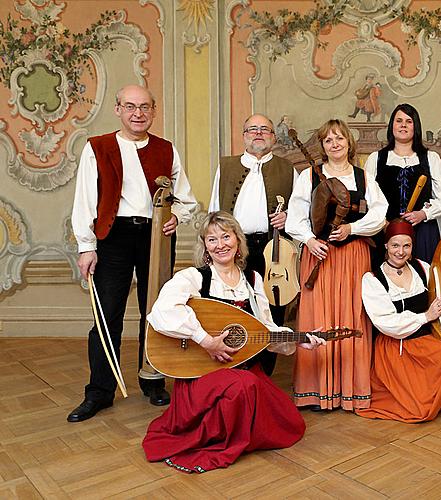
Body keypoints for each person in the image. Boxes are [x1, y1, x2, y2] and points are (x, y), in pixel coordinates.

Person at [142, 211, 324, 473]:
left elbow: (263, 330)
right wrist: (205, 340)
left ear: (238, 240)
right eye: (212, 239)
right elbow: (161, 311)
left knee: (289, 421)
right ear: (205, 246)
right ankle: (217, 438)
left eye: (226, 237)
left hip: (240, 367)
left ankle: (237, 430)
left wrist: (298, 341)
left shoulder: (252, 280)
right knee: (245, 385)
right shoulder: (195, 277)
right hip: (200, 373)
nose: (220, 245)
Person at [68, 84, 197, 422]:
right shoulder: (98, 147)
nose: (138, 113)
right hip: (112, 236)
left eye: (144, 107)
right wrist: (86, 246)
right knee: (106, 316)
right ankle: (99, 391)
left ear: (153, 111)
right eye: (130, 106)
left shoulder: (167, 149)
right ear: (118, 110)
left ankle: (152, 379)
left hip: (156, 236)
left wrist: (176, 217)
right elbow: (84, 201)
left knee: (155, 310)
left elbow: (187, 199)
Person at [285, 118, 389, 411]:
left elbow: (380, 214)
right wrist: (309, 240)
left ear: (349, 143)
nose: (335, 144)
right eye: (329, 140)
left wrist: (351, 230)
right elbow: (296, 216)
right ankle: (316, 391)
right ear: (322, 146)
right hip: (320, 254)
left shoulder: (364, 177)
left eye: (340, 138)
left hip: (353, 255)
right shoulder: (308, 176)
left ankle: (350, 390)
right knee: (317, 316)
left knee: (351, 316)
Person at [208, 113, 298, 375]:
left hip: (274, 250)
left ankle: (263, 374)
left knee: (273, 308)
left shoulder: (288, 169)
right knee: (234, 306)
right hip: (234, 249)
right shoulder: (225, 167)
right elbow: (214, 210)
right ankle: (233, 370)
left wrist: (288, 217)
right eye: (252, 129)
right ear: (244, 135)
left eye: (265, 130)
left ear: (273, 136)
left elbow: (302, 211)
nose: (258, 133)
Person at [356, 219, 441, 423]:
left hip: (423, 340)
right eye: (395, 245)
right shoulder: (373, 279)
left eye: (406, 246)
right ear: (386, 246)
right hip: (396, 346)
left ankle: (438, 399)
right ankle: (421, 397)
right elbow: (386, 323)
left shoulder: (423, 268)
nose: (401, 251)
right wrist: (425, 316)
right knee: (418, 408)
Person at [363, 103, 441, 263]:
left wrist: (423, 214)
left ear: (415, 126)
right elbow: (367, 198)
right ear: (392, 126)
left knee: (424, 279)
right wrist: (384, 223)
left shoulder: (431, 158)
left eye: (408, 121)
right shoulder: (376, 159)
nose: (403, 125)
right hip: (385, 231)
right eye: (399, 121)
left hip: (423, 231)